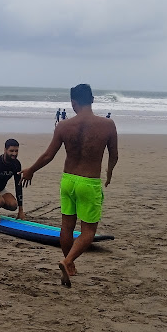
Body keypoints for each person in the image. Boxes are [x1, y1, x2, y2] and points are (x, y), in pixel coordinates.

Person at [20, 84, 118, 287]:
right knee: (88, 231)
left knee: (66, 226)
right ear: (93, 99)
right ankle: (68, 261)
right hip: (89, 182)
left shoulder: (63, 126)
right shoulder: (107, 125)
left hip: (68, 180)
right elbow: (114, 155)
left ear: (73, 103)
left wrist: (31, 170)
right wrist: (108, 173)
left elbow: (48, 155)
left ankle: (69, 264)